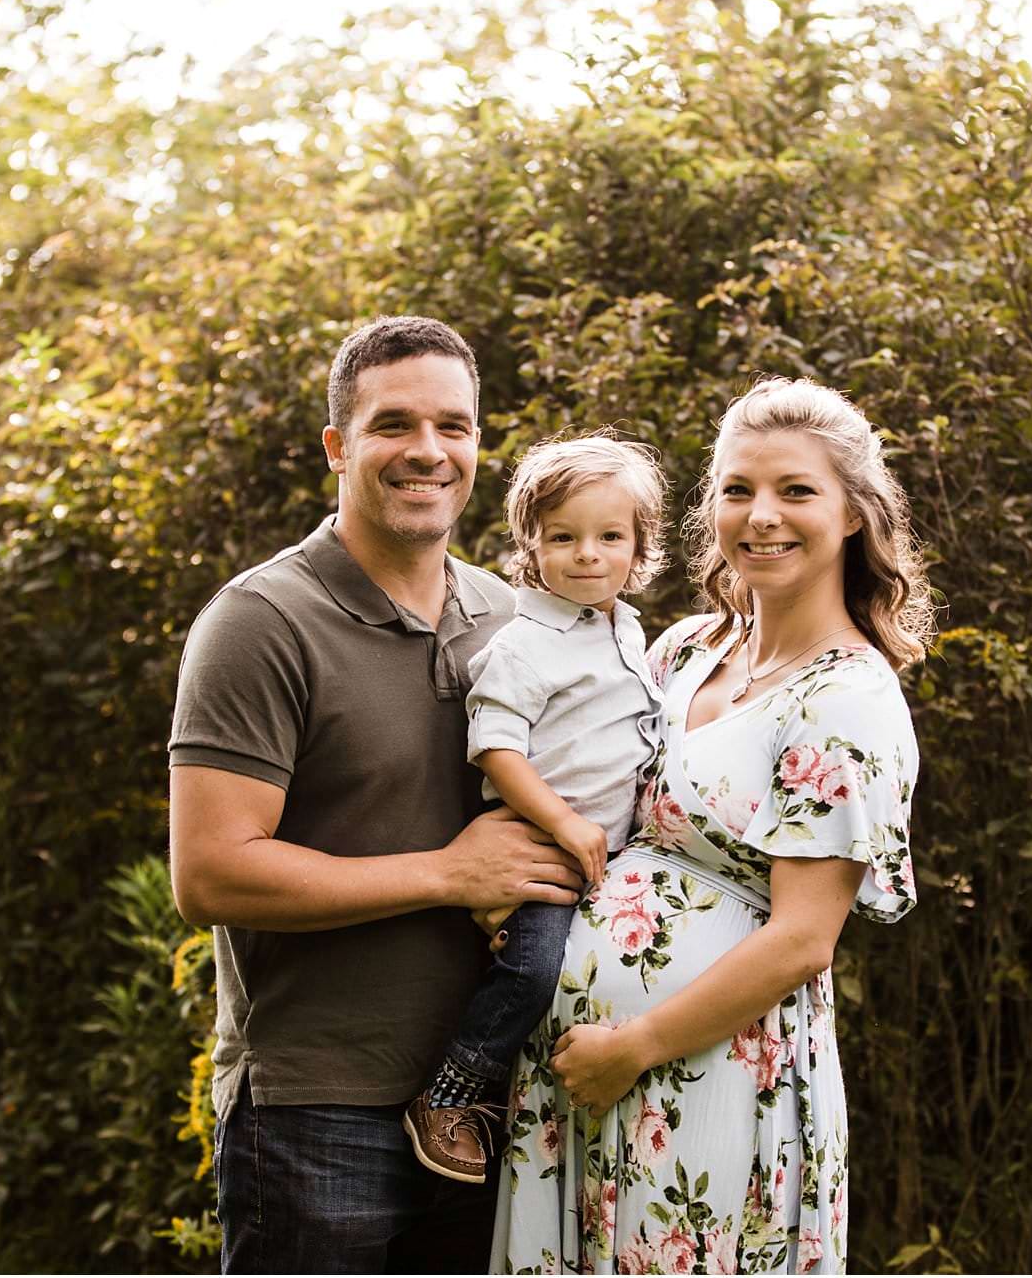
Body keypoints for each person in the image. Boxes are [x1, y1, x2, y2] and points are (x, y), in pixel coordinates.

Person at [167, 314, 587, 1275]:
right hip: (319, 1108)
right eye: (394, 424)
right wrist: (448, 873)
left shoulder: (517, 619)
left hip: (490, 1108)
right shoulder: (261, 621)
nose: (429, 452)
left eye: (456, 426)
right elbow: (213, 875)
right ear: (337, 446)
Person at [492, 377, 936, 1275]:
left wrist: (635, 1045)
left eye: (796, 491)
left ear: (854, 513)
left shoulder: (849, 698)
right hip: (579, 1074)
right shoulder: (685, 649)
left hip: (708, 1074)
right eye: (738, 489)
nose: (761, 515)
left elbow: (804, 939)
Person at [406, 434, 670, 1185]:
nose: (588, 554)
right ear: (531, 543)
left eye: (609, 536)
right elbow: (496, 750)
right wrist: (561, 822)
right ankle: (452, 1092)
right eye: (564, 537)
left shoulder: (623, 627)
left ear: (637, 545)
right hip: (542, 846)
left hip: (613, 856)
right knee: (532, 969)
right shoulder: (522, 644)